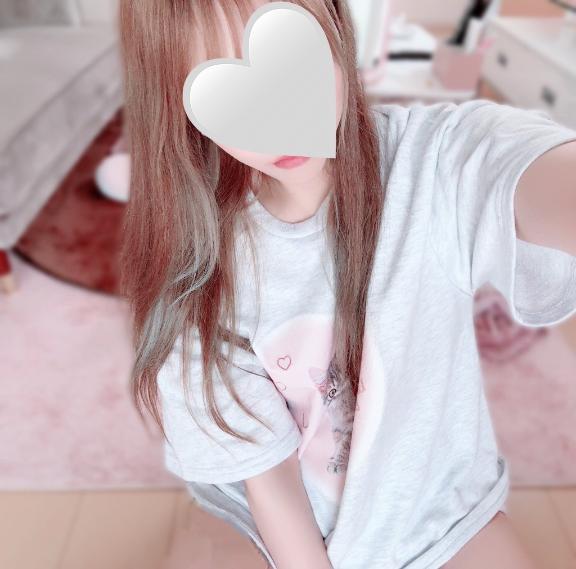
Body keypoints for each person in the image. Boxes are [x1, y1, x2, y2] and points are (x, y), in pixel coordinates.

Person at [117, 1, 576, 568]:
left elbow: (515, 166)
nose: (277, 121)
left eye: (292, 65)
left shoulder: (431, 160)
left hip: (444, 516)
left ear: (333, 27)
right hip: (274, 525)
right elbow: (269, 482)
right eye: (231, 97)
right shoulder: (201, 273)